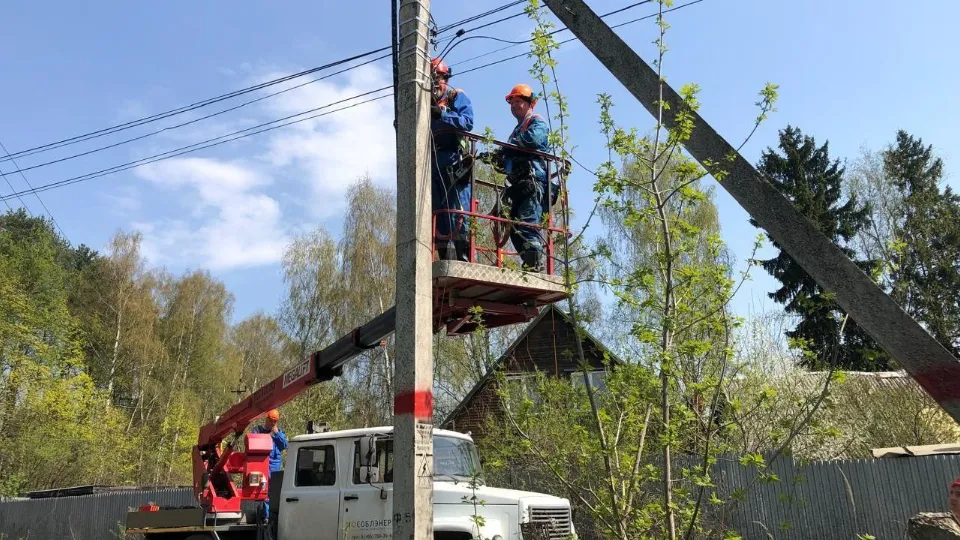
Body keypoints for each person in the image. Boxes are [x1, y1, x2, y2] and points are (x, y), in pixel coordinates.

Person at [499, 83, 551, 272]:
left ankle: (534, 264)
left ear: (530, 103)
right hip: (518, 184)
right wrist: (499, 157)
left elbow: (533, 140)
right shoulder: (516, 130)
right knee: (514, 228)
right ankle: (528, 263)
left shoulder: (537, 122)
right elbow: (509, 157)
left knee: (527, 223)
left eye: (518, 101)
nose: (514, 106)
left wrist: (509, 147)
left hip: (533, 181)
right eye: (512, 102)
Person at [430, 57, 475, 262]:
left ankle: (462, 256)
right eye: (432, 79)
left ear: (446, 79)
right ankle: (445, 256)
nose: (435, 84)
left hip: (454, 158)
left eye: (439, 78)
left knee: (457, 209)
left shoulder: (455, 96)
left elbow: (467, 122)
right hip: (432, 161)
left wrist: (442, 115)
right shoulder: (424, 104)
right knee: (438, 211)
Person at [253, 409, 287, 522]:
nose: (272, 423)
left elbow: (284, 445)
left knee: (273, 490)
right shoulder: (258, 430)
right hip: (261, 462)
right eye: (271, 420)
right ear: (266, 419)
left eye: (275, 421)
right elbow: (253, 442)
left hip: (274, 465)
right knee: (261, 487)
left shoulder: (279, 433)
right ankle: (264, 515)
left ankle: (269, 516)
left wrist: (276, 434)